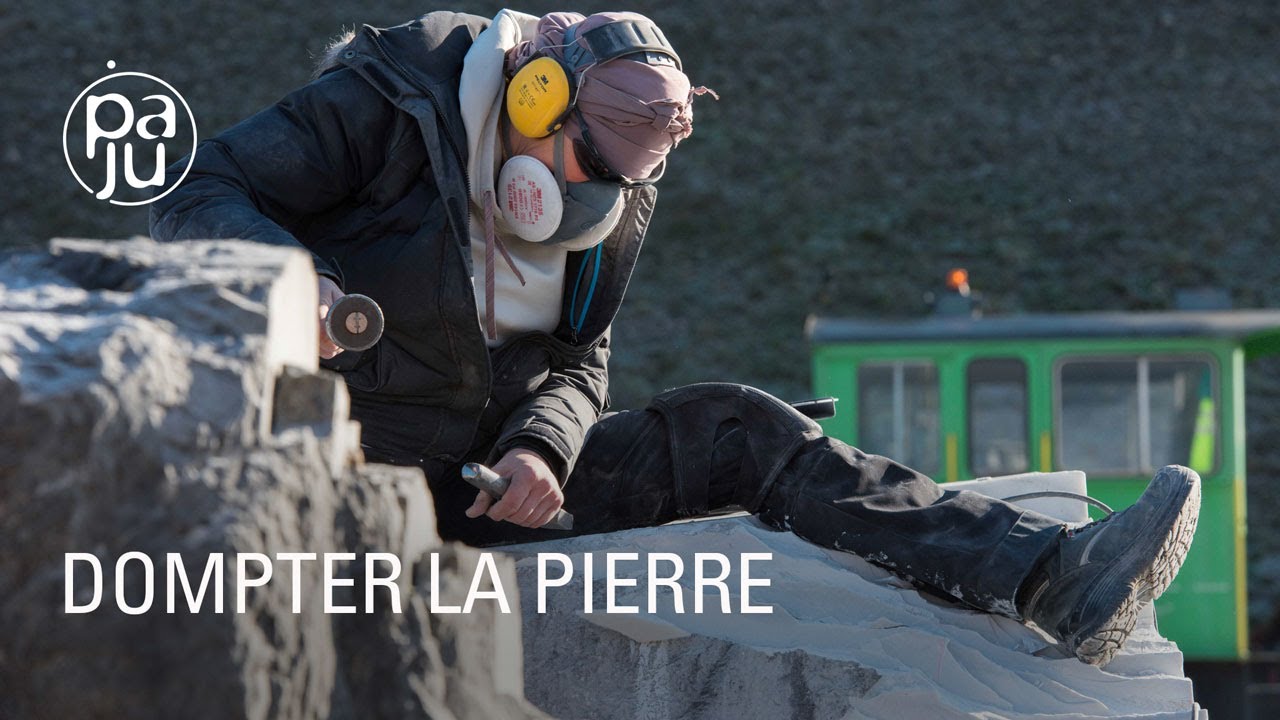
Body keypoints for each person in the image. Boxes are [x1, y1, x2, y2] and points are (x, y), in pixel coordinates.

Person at [150, 9, 1200, 667]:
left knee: (736, 427)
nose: (583, 205)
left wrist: (540, 450)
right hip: (331, 473)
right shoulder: (387, 98)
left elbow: (576, 360)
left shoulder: (613, 193)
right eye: (584, 172)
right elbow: (199, 189)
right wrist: (298, 287)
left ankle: (1050, 580)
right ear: (536, 92)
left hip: (478, 483)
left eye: (621, 189)